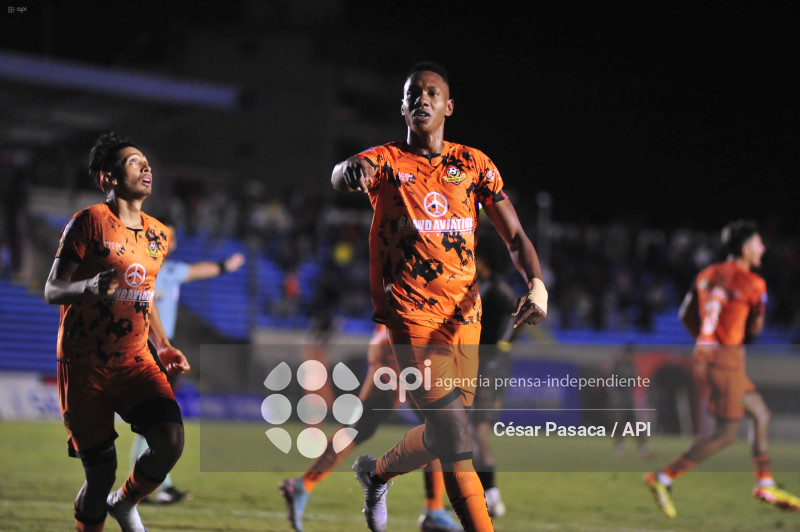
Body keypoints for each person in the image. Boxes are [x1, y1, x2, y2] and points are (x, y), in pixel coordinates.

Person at [331, 61, 547, 532]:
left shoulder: (473, 164)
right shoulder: (386, 162)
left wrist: (537, 282)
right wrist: (348, 170)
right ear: (403, 107)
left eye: (432, 93)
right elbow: (346, 170)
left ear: (449, 106)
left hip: (465, 315)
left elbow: (514, 237)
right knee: (454, 434)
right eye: (413, 94)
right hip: (411, 314)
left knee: (448, 431)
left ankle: (378, 471)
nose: (422, 100)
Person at [44, 132, 190, 532]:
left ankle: (125, 503)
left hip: (136, 361)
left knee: (171, 439)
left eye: (146, 162)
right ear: (109, 177)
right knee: (99, 475)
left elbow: (145, 296)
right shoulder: (89, 222)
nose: (145, 167)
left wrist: (164, 345)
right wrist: (88, 287)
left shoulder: (158, 234)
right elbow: (51, 289)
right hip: (84, 364)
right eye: (133, 162)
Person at [645, 220, 800, 518]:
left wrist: (706, 342)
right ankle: (663, 477)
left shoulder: (707, 274)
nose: (763, 248)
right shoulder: (754, 283)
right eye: (759, 243)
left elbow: (684, 314)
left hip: (710, 357)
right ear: (745, 249)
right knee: (726, 434)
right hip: (725, 362)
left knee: (760, 414)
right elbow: (755, 328)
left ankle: (765, 482)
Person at [278, 324, 462, 532]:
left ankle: (433, 510)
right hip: (404, 344)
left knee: (433, 429)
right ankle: (384, 481)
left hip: (401, 343)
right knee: (438, 428)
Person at [129, 217, 245, 504]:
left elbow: (196, 270)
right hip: (145, 351)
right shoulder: (138, 270)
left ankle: (152, 484)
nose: (171, 242)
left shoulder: (168, 271)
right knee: (157, 421)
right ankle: (148, 486)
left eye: (173, 237)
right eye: (165, 236)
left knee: (157, 422)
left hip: (163, 352)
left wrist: (224, 266)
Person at [469, 238, 517, 518]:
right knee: (470, 433)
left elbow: (519, 311)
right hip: (479, 364)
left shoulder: (498, 289)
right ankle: (482, 495)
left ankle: (492, 498)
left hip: (492, 366)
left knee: (479, 433)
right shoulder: (484, 286)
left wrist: (505, 343)